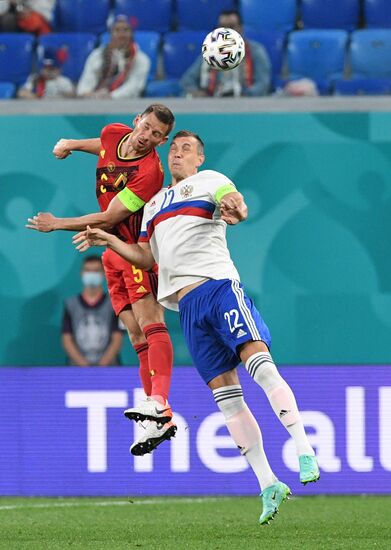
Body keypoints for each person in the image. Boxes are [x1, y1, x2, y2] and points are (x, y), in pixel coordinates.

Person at [73, 130, 320, 525]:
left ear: (199, 158)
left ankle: (304, 448)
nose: (177, 152)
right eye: (173, 148)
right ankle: (268, 482)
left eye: (186, 148)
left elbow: (234, 205)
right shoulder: (153, 204)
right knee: (227, 399)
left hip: (219, 288)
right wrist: (108, 239)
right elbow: (143, 255)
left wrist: (236, 208)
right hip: (187, 307)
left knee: (262, 366)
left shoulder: (211, 181)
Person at [26, 104, 176, 456]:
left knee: (151, 322)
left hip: (135, 248)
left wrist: (58, 223)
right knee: (135, 333)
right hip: (110, 253)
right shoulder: (113, 133)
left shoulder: (150, 171)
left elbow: (111, 217)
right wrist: (70, 144)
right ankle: (152, 420)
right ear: (137, 120)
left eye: (157, 136)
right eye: (147, 128)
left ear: (163, 140)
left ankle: (162, 406)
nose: (147, 138)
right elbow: (104, 145)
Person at [180, 10, 271, 98]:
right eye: (222, 27)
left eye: (231, 27)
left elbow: (263, 83)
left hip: (246, 105)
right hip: (212, 104)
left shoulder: (255, 50)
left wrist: (245, 96)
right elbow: (187, 80)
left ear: (241, 29)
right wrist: (197, 93)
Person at [62, 255, 123, 366]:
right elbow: (67, 340)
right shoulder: (70, 304)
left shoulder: (115, 303)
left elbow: (117, 339)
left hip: (110, 370)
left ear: (103, 274)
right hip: (77, 371)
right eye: (88, 270)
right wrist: (85, 366)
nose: (91, 274)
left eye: (96, 271)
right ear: (81, 273)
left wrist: (100, 368)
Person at [77, 15, 150, 100]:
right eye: (117, 30)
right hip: (95, 102)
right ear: (111, 34)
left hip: (126, 104)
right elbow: (88, 79)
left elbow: (134, 87)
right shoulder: (97, 55)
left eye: (126, 30)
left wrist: (110, 96)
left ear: (132, 34)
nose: (121, 34)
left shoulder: (141, 59)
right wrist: (85, 93)